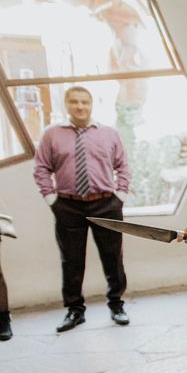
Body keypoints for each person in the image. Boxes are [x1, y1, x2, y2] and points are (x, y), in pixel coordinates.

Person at [33, 86, 132, 333]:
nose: (80, 107)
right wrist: (51, 199)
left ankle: (117, 305)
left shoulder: (109, 134)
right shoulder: (51, 135)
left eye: (84, 102)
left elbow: (123, 166)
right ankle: (74, 311)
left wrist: (120, 195)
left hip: (106, 203)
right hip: (68, 206)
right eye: (75, 102)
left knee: (113, 257)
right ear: (67, 105)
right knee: (72, 261)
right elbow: (41, 167)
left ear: (91, 104)